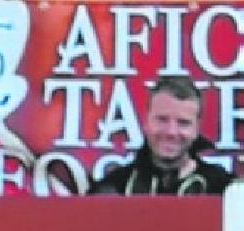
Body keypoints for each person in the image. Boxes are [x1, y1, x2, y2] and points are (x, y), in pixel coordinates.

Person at [90, 76, 232, 196]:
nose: (171, 132)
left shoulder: (223, 190)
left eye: (183, 123)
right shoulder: (112, 190)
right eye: (162, 119)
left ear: (196, 128)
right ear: (146, 121)